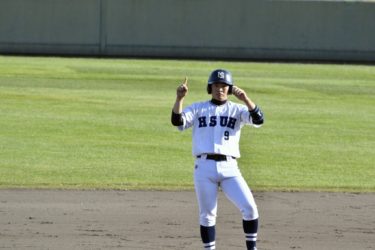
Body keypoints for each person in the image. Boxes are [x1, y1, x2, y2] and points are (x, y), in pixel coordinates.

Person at [171, 69, 264, 250]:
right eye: (216, 85)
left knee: (250, 208)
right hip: (204, 167)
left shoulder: (237, 110)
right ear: (210, 87)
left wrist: (245, 99)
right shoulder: (198, 108)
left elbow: (258, 119)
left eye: (224, 86)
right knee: (207, 215)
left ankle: (252, 248)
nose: (220, 89)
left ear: (229, 89)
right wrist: (179, 99)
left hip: (230, 168)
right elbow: (177, 121)